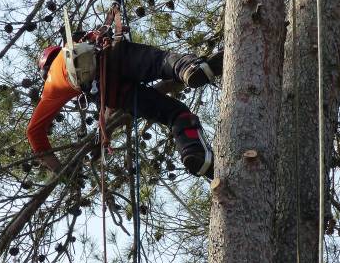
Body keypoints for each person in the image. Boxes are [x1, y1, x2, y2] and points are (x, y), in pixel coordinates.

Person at [26, 23, 220, 179]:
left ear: (45, 70)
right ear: (56, 50)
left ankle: (194, 153)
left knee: (174, 114)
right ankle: (189, 69)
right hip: (110, 58)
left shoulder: (51, 89)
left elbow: (34, 132)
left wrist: (60, 169)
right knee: (160, 62)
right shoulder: (71, 46)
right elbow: (100, 37)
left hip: (114, 93)